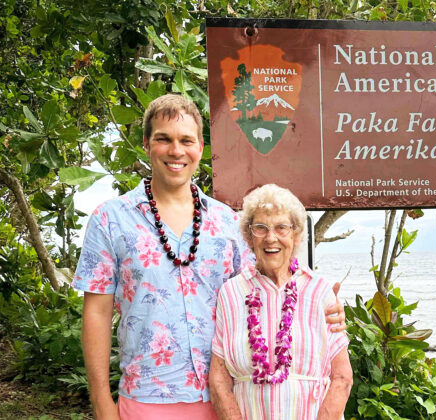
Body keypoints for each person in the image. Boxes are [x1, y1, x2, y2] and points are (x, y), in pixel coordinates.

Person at [73, 94, 346, 419]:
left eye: (186, 140)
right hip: (145, 399)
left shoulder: (228, 223)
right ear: (146, 144)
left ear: (200, 147)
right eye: (164, 139)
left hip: (225, 400)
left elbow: (265, 288)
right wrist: (103, 403)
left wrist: (322, 308)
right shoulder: (110, 219)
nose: (176, 151)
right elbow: (97, 314)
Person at [209, 184, 353, 420]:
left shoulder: (319, 291)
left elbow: (342, 377)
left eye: (281, 228)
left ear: (295, 235)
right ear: (249, 235)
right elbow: (219, 378)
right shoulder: (231, 293)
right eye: (260, 228)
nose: (270, 238)